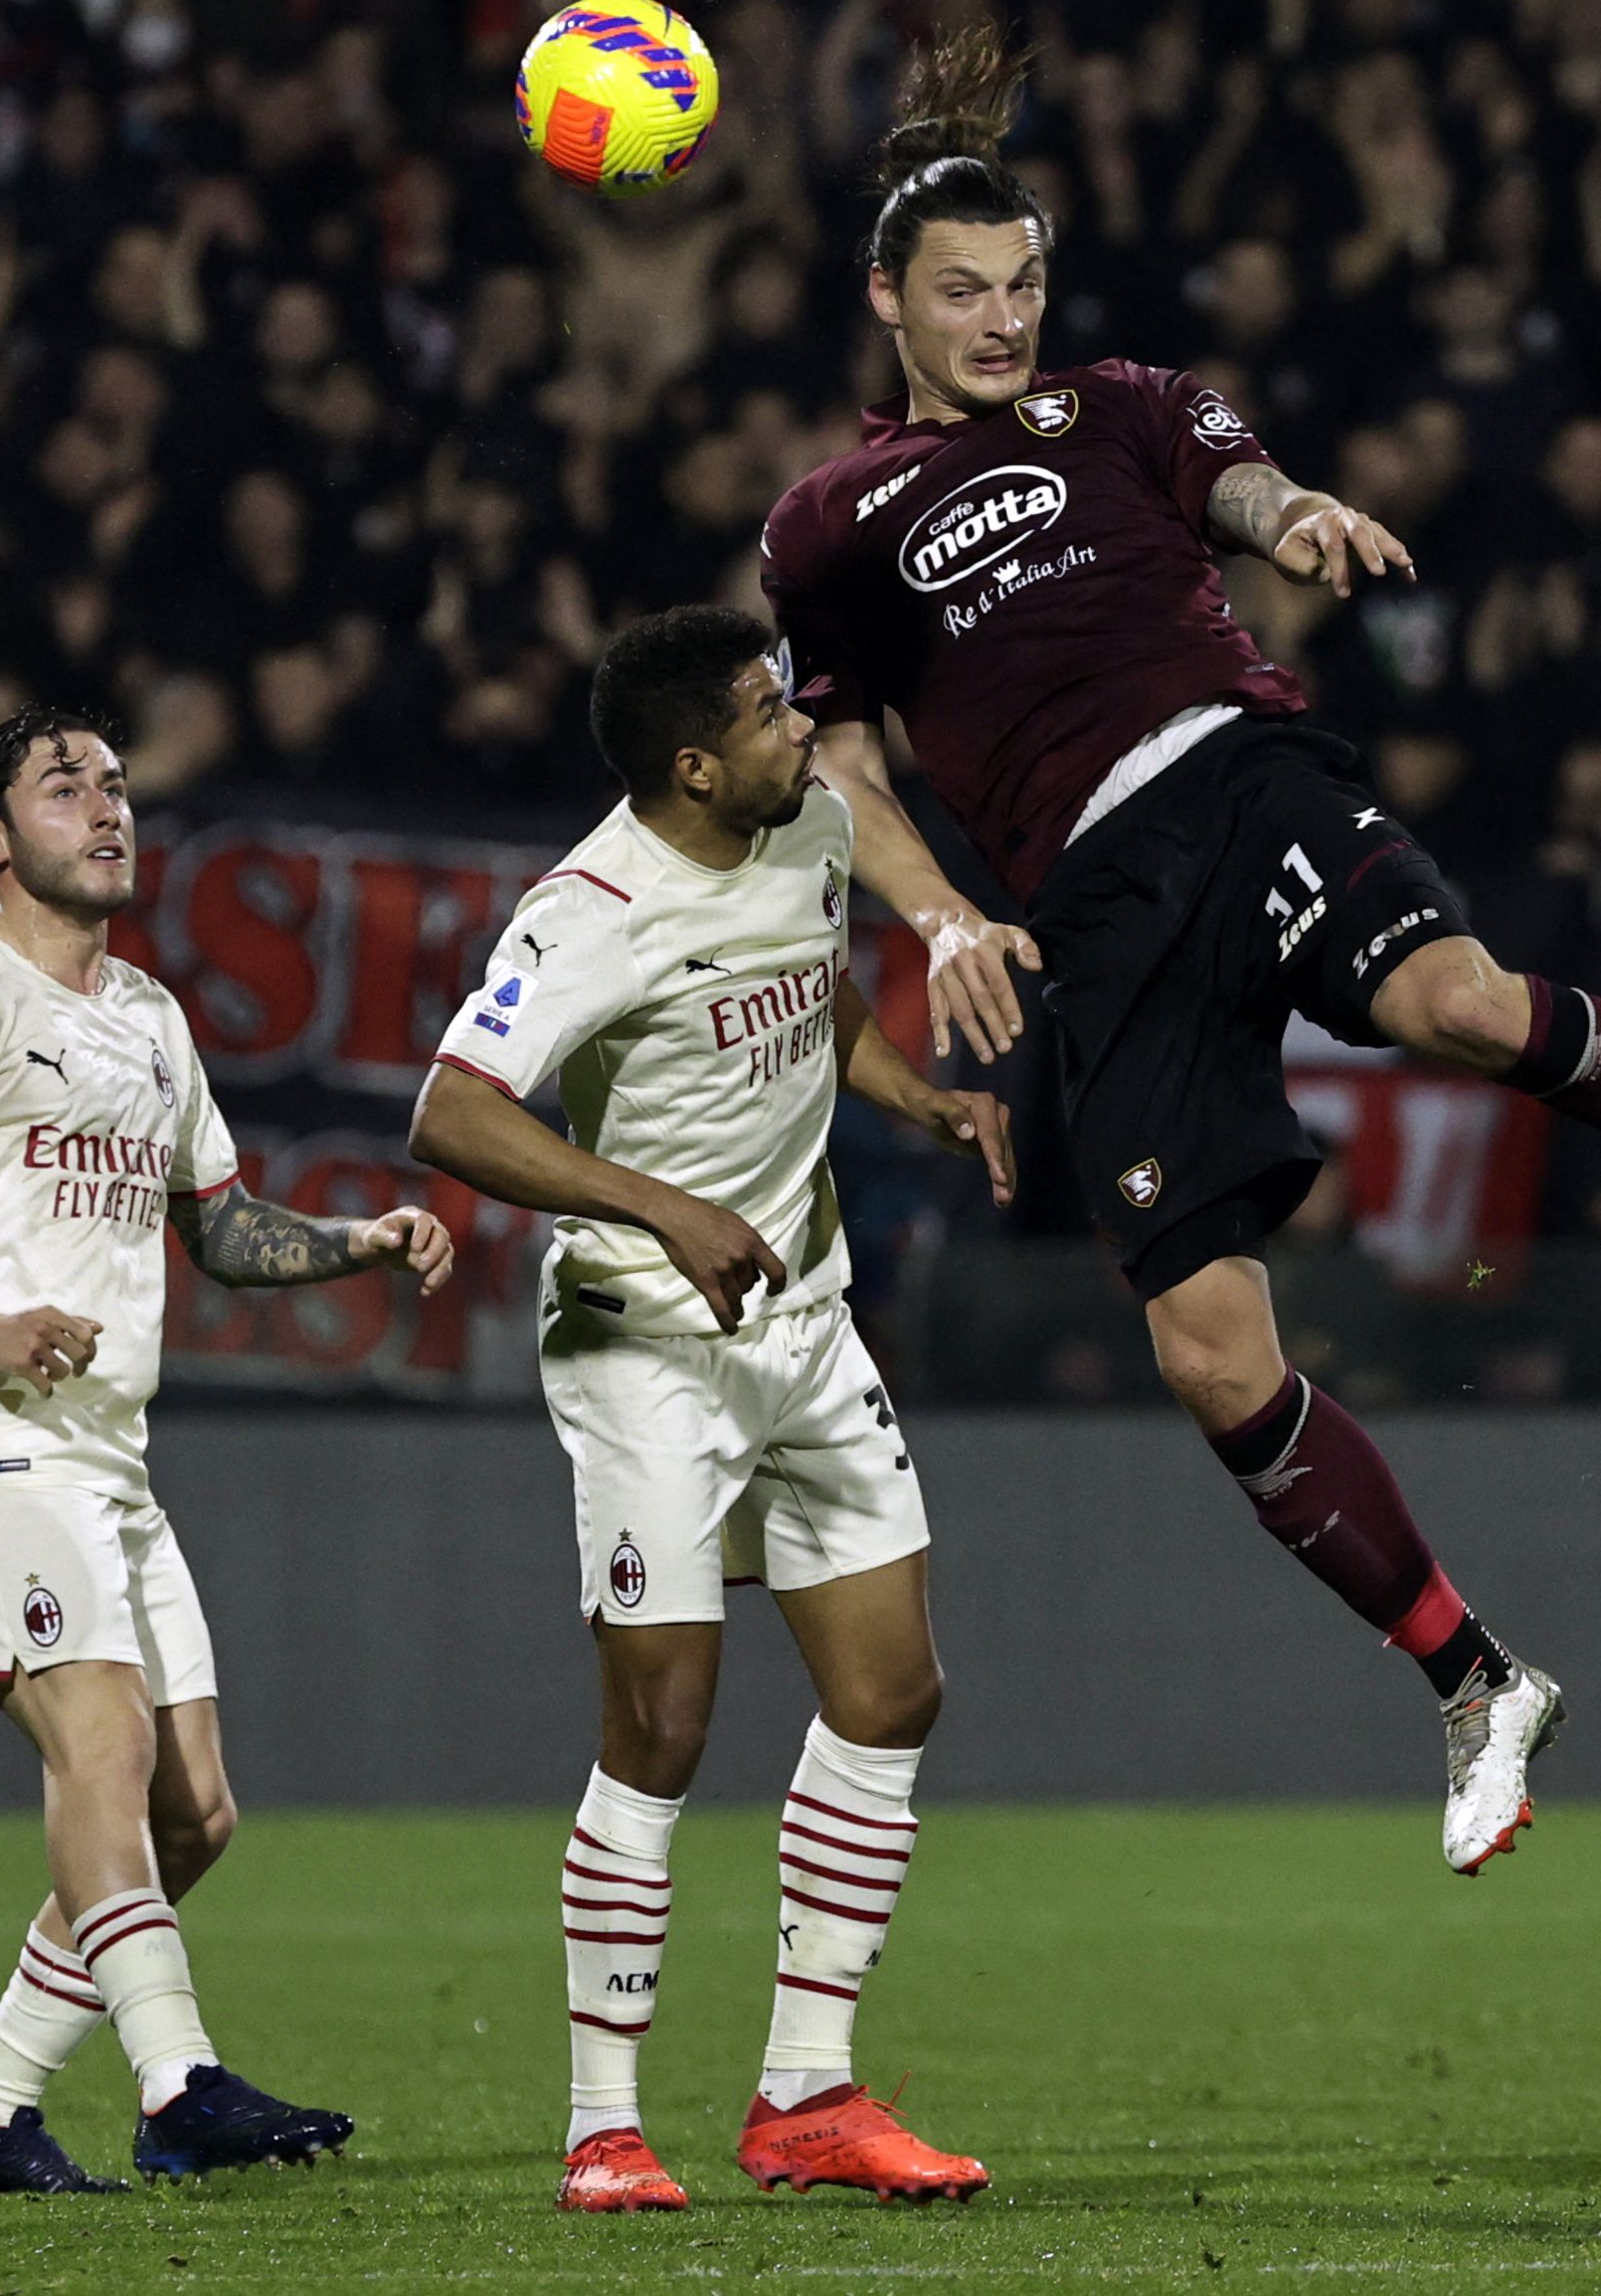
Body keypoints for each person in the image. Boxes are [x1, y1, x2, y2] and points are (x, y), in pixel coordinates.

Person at [761, 29, 1601, 1874]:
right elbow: (840, 762)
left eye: (1022, 285)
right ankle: (1480, 1679)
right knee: (1206, 1347)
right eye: (963, 293)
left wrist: (1299, 512)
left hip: (1236, 773)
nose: (1002, 321)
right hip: (1090, 898)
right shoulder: (829, 523)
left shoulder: (1135, 404)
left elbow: (1244, 490)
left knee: (1458, 1000)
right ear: (887, 300)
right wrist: (941, 914)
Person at [0, 705, 456, 2193]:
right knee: (106, 1744)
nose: (106, 807)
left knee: (191, 1811)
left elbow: (218, 1227)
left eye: (115, 783)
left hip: (105, 1451)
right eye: (63, 783)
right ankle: (178, 2084)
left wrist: (359, 1237)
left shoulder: (149, 1018)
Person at [409, 606, 1012, 2212]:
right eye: (765, 711)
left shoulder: (808, 823)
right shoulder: (587, 910)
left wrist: (920, 1099)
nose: (800, 726)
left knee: (893, 1691)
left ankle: (806, 2089)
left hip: (803, 1320)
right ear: (692, 762)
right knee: (664, 1727)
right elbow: (449, 1113)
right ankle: (603, 2120)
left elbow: (815, 1000)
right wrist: (652, 1203)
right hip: (647, 1344)